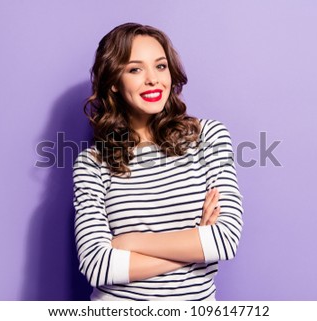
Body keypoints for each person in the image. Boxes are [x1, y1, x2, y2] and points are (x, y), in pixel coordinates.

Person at [73, 22, 243, 300]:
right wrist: (196, 245)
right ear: (114, 82)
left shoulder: (208, 137)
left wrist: (130, 243)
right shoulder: (92, 163)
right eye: (135, 69)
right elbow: (97, 266)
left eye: (160, 66)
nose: (153, 79)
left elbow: (224, 241)